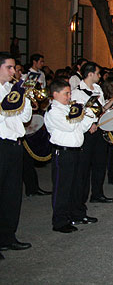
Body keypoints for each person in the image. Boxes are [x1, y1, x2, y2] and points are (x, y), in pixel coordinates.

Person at [45, 78, 97, 233]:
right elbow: (69, 126)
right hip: (63, 153)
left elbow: (80, 127)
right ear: (55, 94)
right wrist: (80, 112)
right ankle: (60, 221)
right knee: (63, 187)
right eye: (66, 93)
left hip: (76, 152)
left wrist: (89, 115)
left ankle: (77, 214)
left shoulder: (68, 109)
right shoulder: (54, 111)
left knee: (77, 186)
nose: (69, 96)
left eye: (69, 93)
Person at [71, 62, 113, 204]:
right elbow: (77, 113)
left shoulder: (98, 88)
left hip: (99, 129)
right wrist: (89, 124)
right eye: (98, 73)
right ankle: (80, 200)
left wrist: (112, 101)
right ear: (90, 74)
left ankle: (97, 193)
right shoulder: (77, 92)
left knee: (100, 163)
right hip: (87, 132)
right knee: (84, 167)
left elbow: (101, 109)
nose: (100, 76)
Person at [0, 53, 33, 256]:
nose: (14, 72)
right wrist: (15, 95)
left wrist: (24, 96)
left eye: (15, 68)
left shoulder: (10, 89)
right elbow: (4, 112)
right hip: (1, 144)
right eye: (10, 68)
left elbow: (25, 117)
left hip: (14, 144)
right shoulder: (7, 92)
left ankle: (8, 236)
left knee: (12, 194)